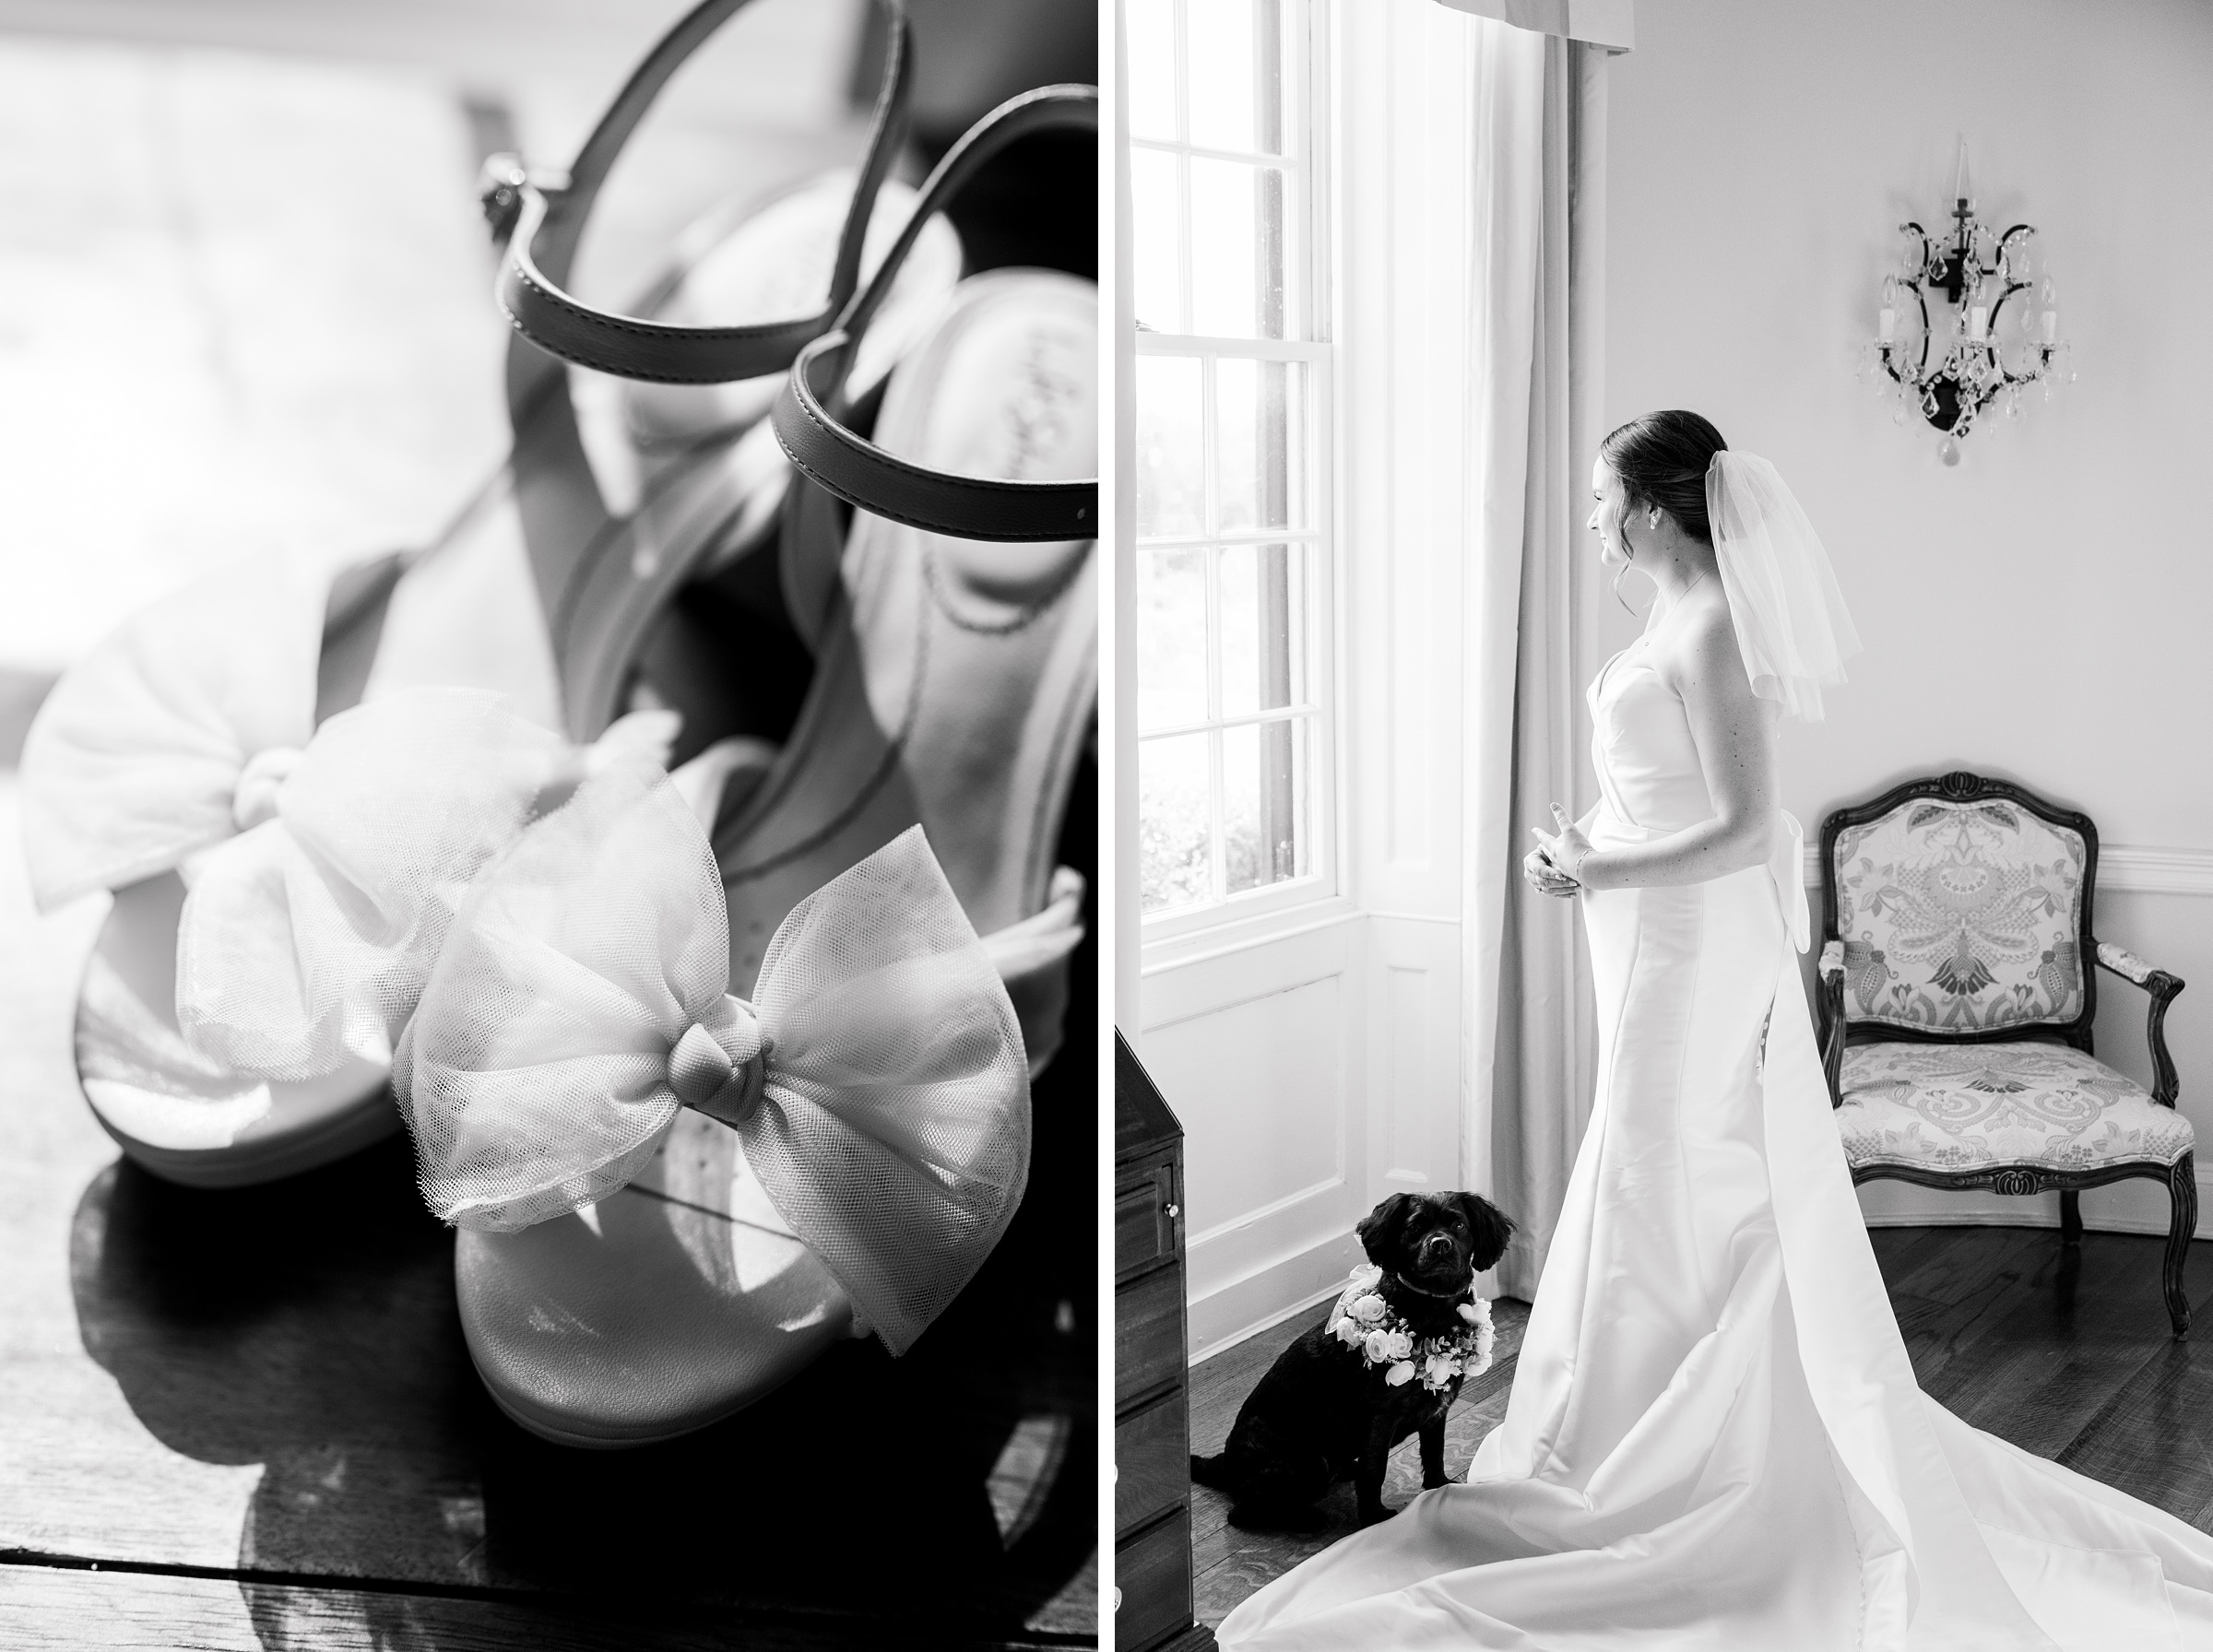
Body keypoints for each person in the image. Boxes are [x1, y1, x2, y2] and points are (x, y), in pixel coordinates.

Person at [1217, 411, 2213, 1650]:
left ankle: (1685, 1463)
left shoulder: (1714, 629)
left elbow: (1748, 829)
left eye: (1598, 496)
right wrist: (1579, 854)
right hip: (1649, 937)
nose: (1590, 515)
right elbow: (1661, 790)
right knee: (1648, 1178)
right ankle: (1625, 1436)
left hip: (1688, 952)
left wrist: (1607, 867)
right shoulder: (1665, 622)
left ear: (1645, 507)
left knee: (1671, 1175)